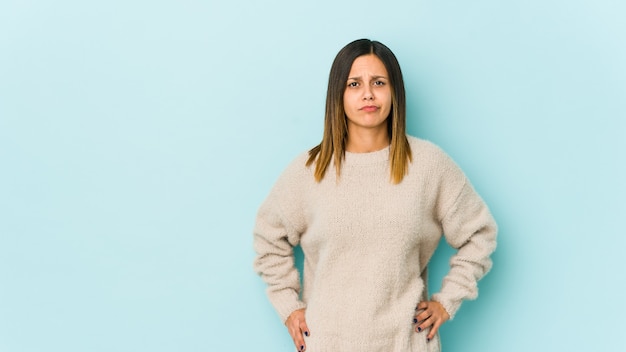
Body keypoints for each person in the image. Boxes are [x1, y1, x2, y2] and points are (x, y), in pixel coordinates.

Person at [253, 38, 497, 352]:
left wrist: (447, 302)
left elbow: (480, 233)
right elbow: (268, 238)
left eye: (378, 82)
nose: (368, 93)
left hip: (405, 342)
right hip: (328, 343)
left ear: (394, 91)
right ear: (338, 94)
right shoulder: (309, 170)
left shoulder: (428, 166)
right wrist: (289, 306)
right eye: (354, 84)